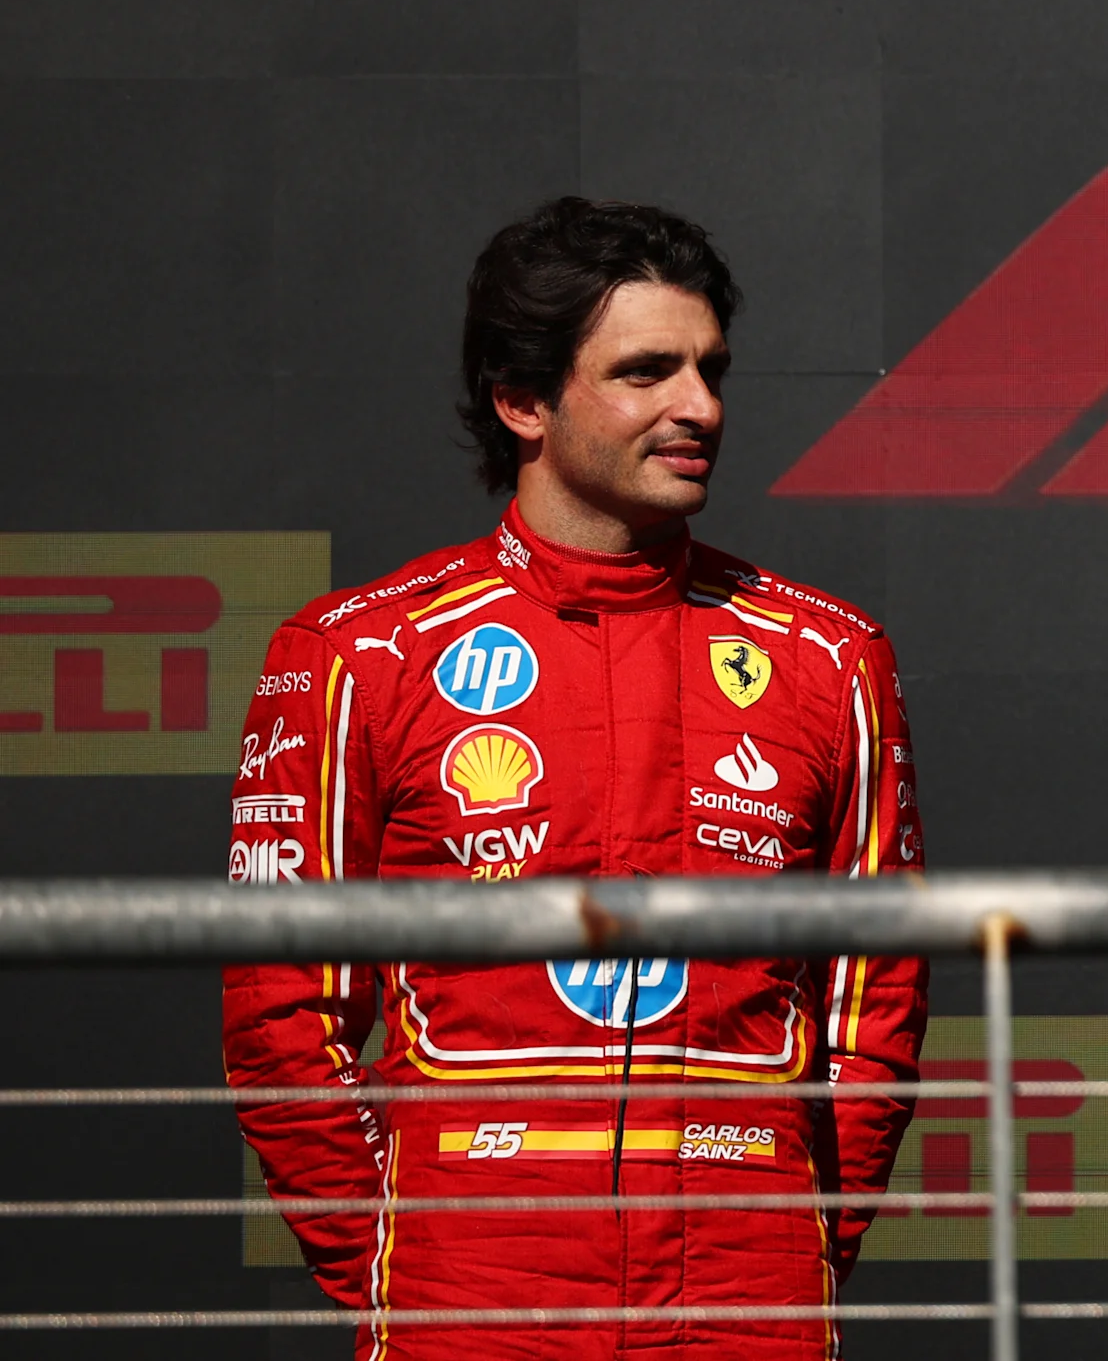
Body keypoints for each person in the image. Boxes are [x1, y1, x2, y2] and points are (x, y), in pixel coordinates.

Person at [221, 198, 929, 1358]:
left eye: (710, 370)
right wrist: (394, 1256)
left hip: (747, 1280)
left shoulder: (828, 656)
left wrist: (794, 1233)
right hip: (477, 1283)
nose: (699, 407)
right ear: (523, 401)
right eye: (646, 371)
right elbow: (281, 1004)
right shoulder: (358, 653)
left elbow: (874, 999)